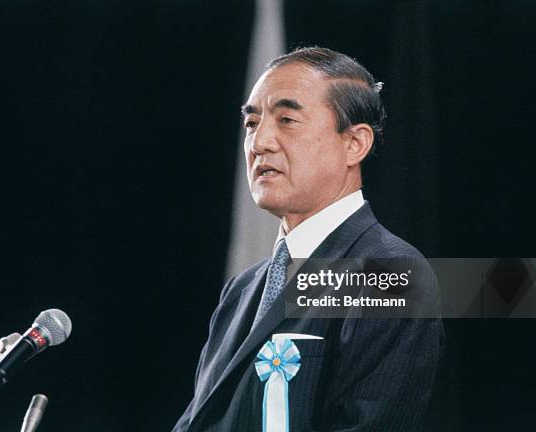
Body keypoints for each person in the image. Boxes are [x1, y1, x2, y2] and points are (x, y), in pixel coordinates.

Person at [173, 47, 444, 432]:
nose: (259, 142)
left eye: (286, 119)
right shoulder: (243, 288)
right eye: (251, 123)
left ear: (355, 144)